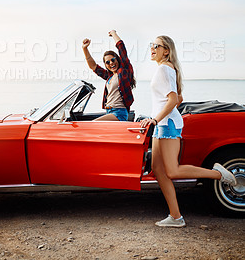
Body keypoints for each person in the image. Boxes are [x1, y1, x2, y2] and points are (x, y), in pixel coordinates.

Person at [141, 36, 237, 227]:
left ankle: (219, 175)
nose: (152, 48)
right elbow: (179, 98)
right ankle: (176, 217)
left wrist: (155, 119)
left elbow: (172, 99)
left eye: (156, 46)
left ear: (166, 50)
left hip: (166, 124)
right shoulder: (168, 69)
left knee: (172, 170)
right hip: (164, 123)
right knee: (159, 171)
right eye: (151, 45)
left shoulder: (163, 69)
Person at [82, 30, 135, 121]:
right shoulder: (109, 76)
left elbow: (121, 49)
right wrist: (85, 49)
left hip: (119, 113)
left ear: (117, 60)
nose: (111, 63)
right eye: (107, 62)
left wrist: (114, 34)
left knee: (93, 124)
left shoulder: (123, 72)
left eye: (113, 60)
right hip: (109, 111)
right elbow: (93, 66)